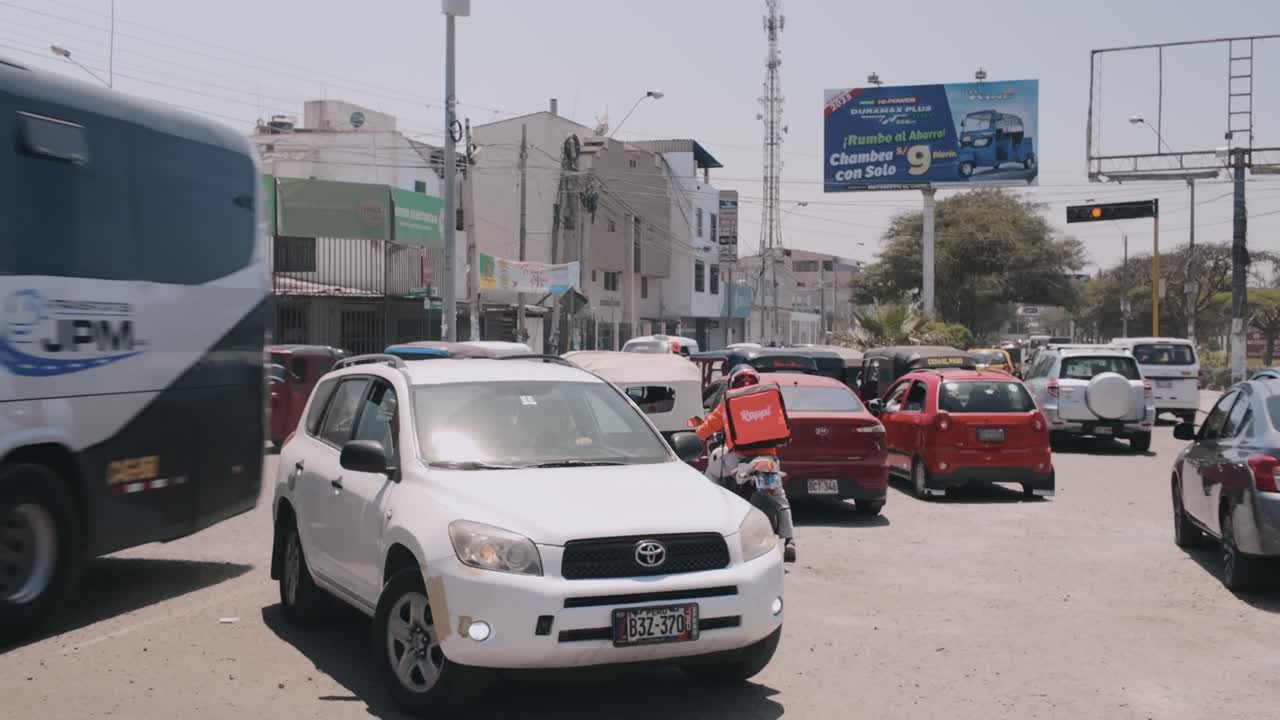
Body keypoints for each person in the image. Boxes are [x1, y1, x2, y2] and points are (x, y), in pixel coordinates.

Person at [693, 364, 796, 561]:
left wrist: (698, 431)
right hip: (768, 458)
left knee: (713, 477)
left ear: (732, 382)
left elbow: (704, 430)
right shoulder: (769, 397)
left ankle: (710, 513)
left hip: (738, 458)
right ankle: (790, 540)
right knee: (780, 498)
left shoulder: (729, 401)